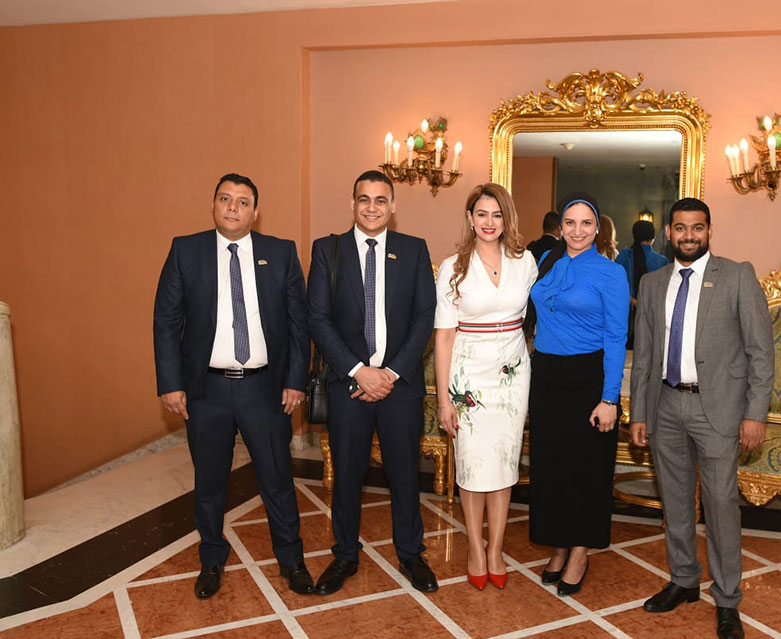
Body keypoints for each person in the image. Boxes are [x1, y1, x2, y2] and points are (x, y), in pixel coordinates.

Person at [154, 173, 314, 599]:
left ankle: (292, 560)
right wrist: (170, 383)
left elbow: (299, 325)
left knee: (277, 480)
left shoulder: (280, 253)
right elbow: (166, 321)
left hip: (265, 390)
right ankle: (211, 560)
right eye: (225, 199)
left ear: (255, 212)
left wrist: (295, 380)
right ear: (213, 205)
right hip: (205, 391)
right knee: (209, 483)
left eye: (243, 202)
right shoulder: (185, 251)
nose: (232, 207)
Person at [628, 198, 774, 639]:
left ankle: (727, 599)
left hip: (720, 409)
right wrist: (639, 412)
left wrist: (755, 414)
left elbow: (761, 353)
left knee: (721, 504)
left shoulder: (737, 276)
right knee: (674, 500)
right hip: (666, 405)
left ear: (709, 230)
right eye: (680, 228)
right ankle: (684, 579)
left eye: (697, 227)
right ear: (668, 233)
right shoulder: (652, 283)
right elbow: (645, 355)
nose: (688, 235)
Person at [307, 170, 438, 595]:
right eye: (364, 199)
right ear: (352, 203)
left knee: (405, 475)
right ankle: (344, 555)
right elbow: (318, 319)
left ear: (393, 206)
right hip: (349, 384)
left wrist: (391, 373)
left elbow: (424, 317)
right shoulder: (328, 250)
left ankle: (411, 554)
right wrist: (359, 370)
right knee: (347, 475)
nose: (372, 207)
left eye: (381, 200)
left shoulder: (413, 250)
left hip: (401, 385)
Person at [434, 184, 538, 590]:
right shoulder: (452, 267)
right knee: (473, 464)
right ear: (470, 218)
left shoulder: (525, 261)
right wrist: (444, 400)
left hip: (512, 375)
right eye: (481, 214)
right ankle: (475, 548)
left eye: (497, 214)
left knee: (504, 463)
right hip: (468, 378)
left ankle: (496, 548)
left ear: (507, 218)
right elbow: (444, 336)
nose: (489, 222)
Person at [526, 192, 629, 597]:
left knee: (587, 470)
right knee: (551, 468)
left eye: (587, 223)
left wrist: (609, 398)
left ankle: (581, 551)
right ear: (561, 226)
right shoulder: (546, 262)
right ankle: (559, 543)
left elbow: (616, 337)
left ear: (598, 228)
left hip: (589, 379)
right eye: (570, 222)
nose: (578, 231)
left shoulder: (611, 272)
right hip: (547, 377)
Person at [616, 219, 669, 348]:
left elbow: (614, 286)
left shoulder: (623, 256)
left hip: (626, 316)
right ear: (653, 238)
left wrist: (633, 300)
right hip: (653, 317)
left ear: (634, 236)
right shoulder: (662, 261)